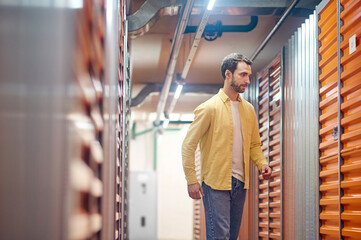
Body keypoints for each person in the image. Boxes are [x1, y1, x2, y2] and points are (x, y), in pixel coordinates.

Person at [182, 53, 272, 240]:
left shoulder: (248, 109)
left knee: (231, 237)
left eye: (248, 75)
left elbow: (254, 144)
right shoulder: (209, 108)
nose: (247, 80)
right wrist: (192, 179)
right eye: (243, 75)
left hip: (240, 183)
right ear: (228, 74)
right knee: (219, 236)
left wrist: (261, 163)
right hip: (215, 184)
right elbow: (188, 145)